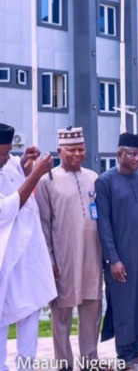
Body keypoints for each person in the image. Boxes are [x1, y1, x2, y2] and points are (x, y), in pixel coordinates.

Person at [36, 127, 104, 370]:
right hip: (63, 257)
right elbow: (43, 225)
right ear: (59, 151)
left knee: (91, 308)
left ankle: (89, 360)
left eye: (81, 148)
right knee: (61, 313)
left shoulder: (93, 177)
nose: (77, 153)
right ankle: (64, 363)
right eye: (72, 149)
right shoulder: (47, 180)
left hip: (91, 256)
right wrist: (50, 260)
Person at [96, 133, 138, 369]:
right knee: (124, 303)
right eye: (133, 154)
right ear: (119, 154)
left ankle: (137, 350)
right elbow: (103, 224)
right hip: (121, 255)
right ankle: (124, 355)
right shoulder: (105, 181)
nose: (137, 159)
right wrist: (113, 259)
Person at [0, 124, 56, 371]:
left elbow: (15, 175)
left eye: (9, 152)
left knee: (30, 309)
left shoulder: (7, 162)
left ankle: (26, 367)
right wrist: (36, 174)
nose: (6, 158)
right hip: (5, 261)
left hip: (26, 258)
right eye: (2, 153)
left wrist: (25, 163)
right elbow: (5, 210)